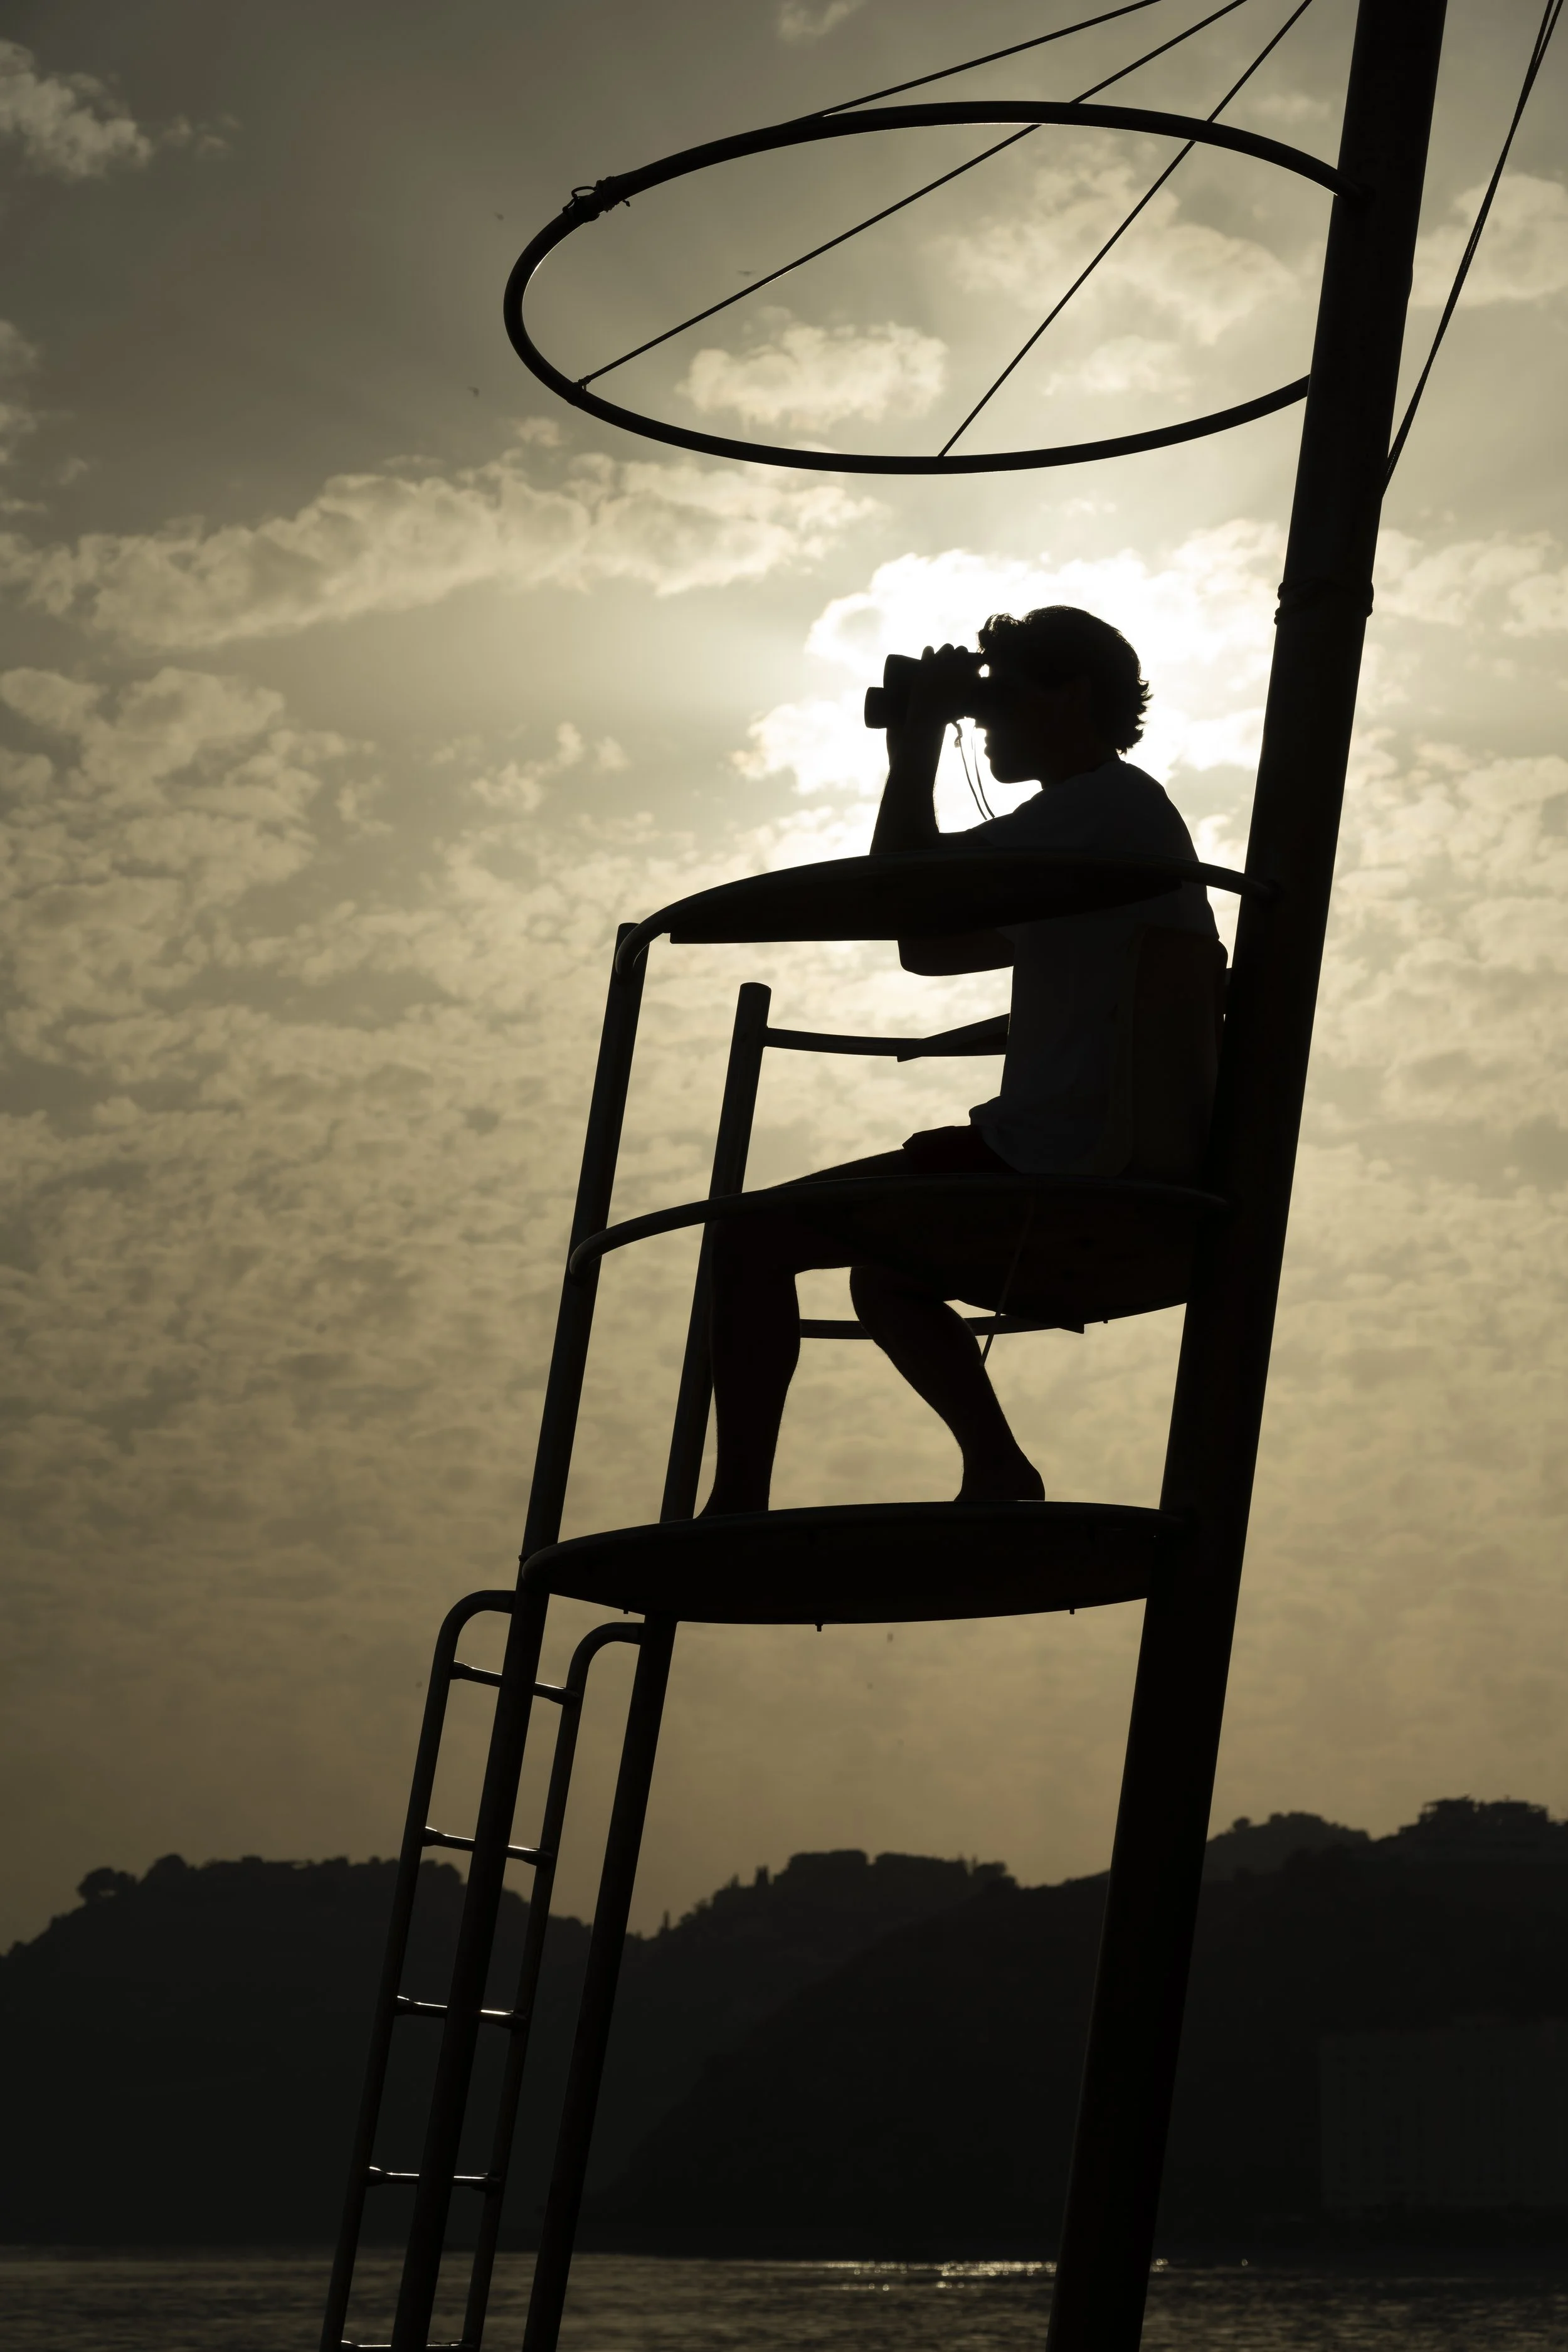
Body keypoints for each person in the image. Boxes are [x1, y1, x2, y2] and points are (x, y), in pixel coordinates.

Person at [700, 604, 1217, 1516]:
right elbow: (927, 944)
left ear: (1072, 698)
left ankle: (737, 1498)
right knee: (888, 1275)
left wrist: (918, 743)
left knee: (747, 1237)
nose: (986, 719)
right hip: (1079, 1148)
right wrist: (932, 727)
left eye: (1003, 696)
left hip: (1060, 1158)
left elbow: (898, 889)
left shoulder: (1099, 811)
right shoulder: (1098, 823)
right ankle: (997, 1470)